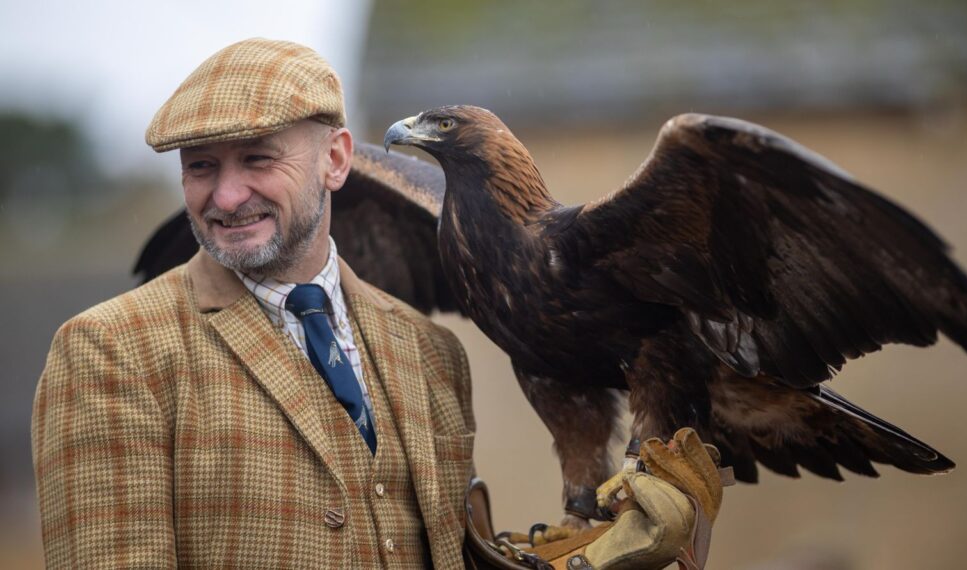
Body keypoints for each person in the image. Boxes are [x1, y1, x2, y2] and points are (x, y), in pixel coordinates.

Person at [32, 38, 726, 569]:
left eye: (258, 160)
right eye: (201, 167)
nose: (227, 195)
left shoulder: (429, 356)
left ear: (336, 161)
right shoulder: (109, 352)